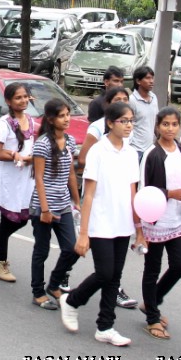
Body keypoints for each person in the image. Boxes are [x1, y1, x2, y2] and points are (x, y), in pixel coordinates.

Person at [58, 100, 141, 345]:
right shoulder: (98, 151)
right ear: (109, 123)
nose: (128, 126)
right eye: (123, 121)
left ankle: (105, 327)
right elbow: (89, 194)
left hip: (123, 223)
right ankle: (72, 300)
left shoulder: (130, 152)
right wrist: (83, 233)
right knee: (105, 273)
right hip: (101, 222)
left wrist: (139, 229)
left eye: (131, 121)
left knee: (115, 276)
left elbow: (133, 191)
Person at [138, 107, 181, 340]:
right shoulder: (152, 153)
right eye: (166, 124)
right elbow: (143, 189)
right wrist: (169, 193)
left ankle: (152, 301)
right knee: (152, 269)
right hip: (156, 221)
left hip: (178, 219)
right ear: (157, 127)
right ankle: (152, 318)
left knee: (179, 266)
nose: (170, 129)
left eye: (174, 125)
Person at [28, 98, 81, 309]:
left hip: (63, 202)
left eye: (68, 114)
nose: (67, 119)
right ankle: (38, 292)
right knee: (41, 250)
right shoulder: (42, 144)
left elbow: (70, 173)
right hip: (44, 205)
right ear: (50, 119)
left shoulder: (68, 141)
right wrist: (45, 209)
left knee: (72, 249)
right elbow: (39, 178)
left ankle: (54, 284)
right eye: (62, 115)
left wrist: (78, 201)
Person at [0, 82, 36, 282]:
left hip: (25, 178)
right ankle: (1, 263)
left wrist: (30, 158)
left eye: (25, 97)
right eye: (18, 98)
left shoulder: (30, 120)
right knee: (9, 219)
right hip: (8, 177)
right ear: (8, 101)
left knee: (24, 217)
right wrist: (17, 156)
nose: (23, 100)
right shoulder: (4, 123)